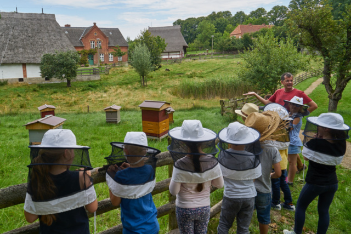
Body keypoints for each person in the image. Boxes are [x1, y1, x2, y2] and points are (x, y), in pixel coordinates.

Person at [283, 113, 349, 234]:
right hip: (332, 183)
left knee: (301, 206)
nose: (317, 126)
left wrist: (316, 139)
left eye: (319, 125)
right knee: (324, 210)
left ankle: (296, 232)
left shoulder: (315, 143)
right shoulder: (340, 143)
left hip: (315, 183)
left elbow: (306, 157)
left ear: (326, 128)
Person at [24, 129, 98, 233]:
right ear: (67, 153)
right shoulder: (81, 177)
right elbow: (93, 208)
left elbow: (30, 217)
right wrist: (86, 177)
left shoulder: (37, 179)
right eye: (72, 150)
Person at [168, 120, 223, 234]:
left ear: (183, 142)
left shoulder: (180, 164)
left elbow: (174, 191)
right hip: (204, 208)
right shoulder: (212, 162)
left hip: (184, 208)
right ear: (202, 142)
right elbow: (219, 184)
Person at [106, 132, 160, 234]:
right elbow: (137, 174)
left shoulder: (121, 176)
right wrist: (130, 168)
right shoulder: (149, 169)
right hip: (152, 227)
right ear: (145, 152)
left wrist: (112, 181)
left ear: (125, 151)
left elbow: (115, 202)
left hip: (133, 230)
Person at [217, 122, 262, 234]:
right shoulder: (252, 157)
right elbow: (255, 177)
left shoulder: (223, 156)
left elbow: (220, 175)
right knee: (243, 229)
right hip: (249, 196)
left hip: (231, 196)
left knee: (224, 225)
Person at [245, 111, 282, 234]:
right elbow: (278, 173)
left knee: (245, 217)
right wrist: (270, 175)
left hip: (248, 189)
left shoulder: (245, 147)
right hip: (264, 189)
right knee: (264, 218)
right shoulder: (272, 149)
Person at [263, 103, 295, 211]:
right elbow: (285, 151)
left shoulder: (274, 135)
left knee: (275, 184)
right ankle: (289, 203)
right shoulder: (285, 134)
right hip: (283, 163)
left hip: (275, 164)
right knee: (283, 184)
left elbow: (270, 149)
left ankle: (275, 202)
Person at [243, 72, 318, 113]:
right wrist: (255, 94)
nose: (290, 82)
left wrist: (301, 115)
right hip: (278, 121)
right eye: (287, 81)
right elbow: (267, 103)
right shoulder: (278, 92)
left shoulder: (299, 93)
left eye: (291, 80)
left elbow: (314, 106)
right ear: (282, 82)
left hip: (291, 123)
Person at [284, 96, 309, 185]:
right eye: (293, 104)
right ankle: (285, 179)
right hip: (286, 140)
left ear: (300, 107)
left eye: (297, 105)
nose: (294, 106)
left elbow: (289, 128)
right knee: (286, 161)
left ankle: (290, 181)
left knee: (292, 162)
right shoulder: (290, 114)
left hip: (293, 142)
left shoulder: (297, 117)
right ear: (289, 104)